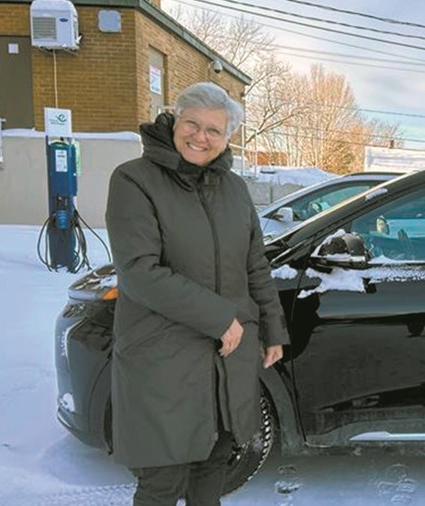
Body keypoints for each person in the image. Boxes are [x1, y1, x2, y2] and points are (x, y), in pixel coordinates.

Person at [105, 82, 289, 506]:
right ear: (173, 120)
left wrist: (273, 328)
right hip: (163, 360)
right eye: (192, 124)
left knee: (212, 472)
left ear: (228, 138)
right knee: (163, 482)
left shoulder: (235, 190)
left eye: (214, 131)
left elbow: (254, 265)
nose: (201, 137)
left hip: (227, 360)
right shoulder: (134, 180)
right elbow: (140, 272)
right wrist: (221, 318)